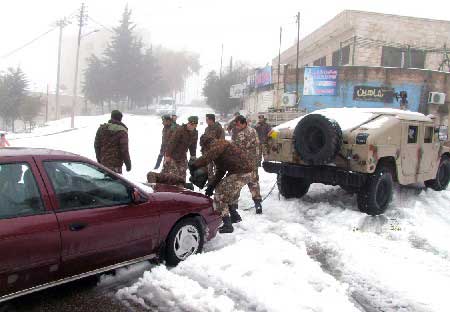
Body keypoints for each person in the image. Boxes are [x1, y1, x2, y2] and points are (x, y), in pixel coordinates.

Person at [190, 135, 253, 233]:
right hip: (242, 173)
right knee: (228, 193)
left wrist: (195, 165)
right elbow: (221, 171)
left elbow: (208, 156)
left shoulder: (219, 144)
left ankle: (227, 225)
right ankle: (235, 217)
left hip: (240, 173)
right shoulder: (219, 152)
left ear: (206, 144)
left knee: (220, 194)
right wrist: (211, 186)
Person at [233, 115, 263, 214]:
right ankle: (258, 204)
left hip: (244, 163)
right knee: (254, 183)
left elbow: (236, 149)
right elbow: (258, 145)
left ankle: (233, 205)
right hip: (253, 162)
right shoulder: (253, 130)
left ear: (243, 123)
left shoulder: (241, 134)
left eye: (238, 124)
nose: (237, 126)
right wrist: (258, 160)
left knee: (237, 183)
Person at [162, 116, 198, 183]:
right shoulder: (180, 130)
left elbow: (193, 145)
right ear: (188, 123)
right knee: (171, 175)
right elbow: (172, 142)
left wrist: (193, 156)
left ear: (196, 125)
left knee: (182, 176)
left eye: (193, 125)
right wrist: (167, 155)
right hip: (173, 155)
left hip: (182, 156)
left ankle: (180, 190)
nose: (191, 126)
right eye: (190, 124)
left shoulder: (194, 133)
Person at [204, 114, 225, 182]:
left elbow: (222, 140)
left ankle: (216, 183)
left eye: (207, 119)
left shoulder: (219, 128)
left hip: (216, 153)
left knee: (217, 169)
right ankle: (210, 182)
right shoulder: (207, 129)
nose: (206, 121)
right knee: (209, 168)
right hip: (209, 152)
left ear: (211, 120)